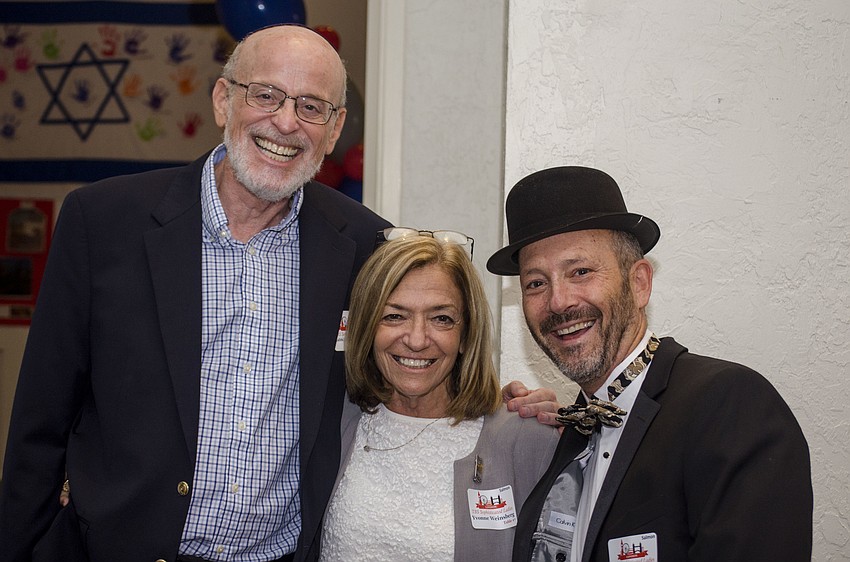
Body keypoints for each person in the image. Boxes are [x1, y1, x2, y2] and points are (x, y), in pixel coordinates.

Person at [0, 24, 555, 562]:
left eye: (311, 106)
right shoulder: (103, 222)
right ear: (223, 100)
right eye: (266, 95)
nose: (286, 122)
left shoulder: (365, 245)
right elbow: (39, 422)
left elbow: (417, 349)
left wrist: (501, 405)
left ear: (335, 129)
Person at [485, 166, 813, 561]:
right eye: (536, 283)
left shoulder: (730, 406)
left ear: (639, 282)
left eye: (581, 272)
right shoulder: (571, 431)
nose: (559, 302)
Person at [319, 231, 560, 561]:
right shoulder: (333, 418)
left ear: (465, 334)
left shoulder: (524, 437)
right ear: (367, 328)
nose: (417, 339)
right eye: (394, 315)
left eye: (441, 318)